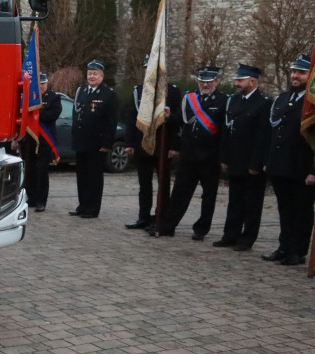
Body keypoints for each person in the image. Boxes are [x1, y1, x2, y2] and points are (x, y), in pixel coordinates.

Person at [151, 66, 228, 240]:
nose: (205, 84)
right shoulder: (189, 97)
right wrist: (171, 116)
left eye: (208, 81)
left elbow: (224, 132)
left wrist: (223, 156)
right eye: (202, 81)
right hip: (189, 154)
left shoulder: (223, 100)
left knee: (208, 195)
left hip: (210, 155)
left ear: (216, 81)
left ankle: (201, 229)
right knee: (179, 192)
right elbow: (181, 123)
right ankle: (168, 226)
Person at [262, 55, 315, 266]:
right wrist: (268, 161)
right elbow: (273, 133)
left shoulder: (311, 103)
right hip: (280, 165)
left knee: (302, 211)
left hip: (301, 167)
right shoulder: (282, 99)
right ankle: (284, 247)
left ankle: (298, 251)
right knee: (284, 209)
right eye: (293, 71)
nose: (295, 75)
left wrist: (314, 171)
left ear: (309, 76)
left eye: (301, 72)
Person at [214, 63, 270, 251]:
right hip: (235, 159)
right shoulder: (234, 101)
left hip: (251, 161)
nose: (237, 83)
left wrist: (256, 163)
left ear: (252, 81)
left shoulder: (264, 103)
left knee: (252, 203)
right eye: (236, 80)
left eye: (240, 80)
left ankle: (247, 239)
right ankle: (230, 235)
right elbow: (226, 130)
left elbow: (263, 136)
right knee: (235, 200)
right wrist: (224, 156)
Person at [124, 55, 182, 231]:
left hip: (164, 145)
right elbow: (131, 119)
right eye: (147, 69)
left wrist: (175, 146)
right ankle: (143, 217)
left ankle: (161, 217)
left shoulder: (172, 91)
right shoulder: (139, 91)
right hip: (143, 143)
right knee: (144, 184)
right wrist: (129, 143)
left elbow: (179, 121)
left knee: (163, 183)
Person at [69, 59, 118, 219]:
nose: (91, 76)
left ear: (102, 76)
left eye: (95, 74)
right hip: (81, 140)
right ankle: (82, 205)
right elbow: (77, 114)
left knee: (94, 177)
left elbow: (112, 121)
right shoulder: (81, 90)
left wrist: (107, 143)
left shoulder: (108, 94)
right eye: (90, 73)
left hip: (97, 143)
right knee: (82, 176)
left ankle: (92, 208)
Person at [22, 72, 62, 212]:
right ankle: (31, 198)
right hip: (30, 139)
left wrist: (37, 114)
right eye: (38, 84)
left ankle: (41, 201)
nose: (41, 86)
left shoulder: (53, 97)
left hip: (45, 140)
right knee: (30, 170)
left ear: (47, 84)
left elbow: (54, 114)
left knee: (42, 171)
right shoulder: (29, 97)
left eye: (43, 84)